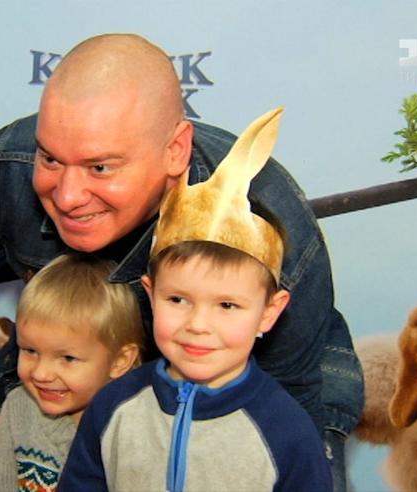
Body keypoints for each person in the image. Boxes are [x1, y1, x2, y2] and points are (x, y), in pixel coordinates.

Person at [0, 33, 363, 491]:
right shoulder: (6, 168)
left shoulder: (266, 214)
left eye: (100, 167)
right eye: (51, 159)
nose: (67, 196)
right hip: (87, 375)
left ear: (175, 151)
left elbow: (293, 391)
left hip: (266, 388)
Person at [58, 108, 331, 491]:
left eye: (227, 305)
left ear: (269, 313)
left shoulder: (288, 432)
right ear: (150, 294)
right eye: (178, 300)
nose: (198, 325)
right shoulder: (112, 406)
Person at [0, 254, 144, 491]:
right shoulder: (18, 406)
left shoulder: (137, 427)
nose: (41, 374)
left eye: (67, 358)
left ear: (120, 361)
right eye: (30, 350)